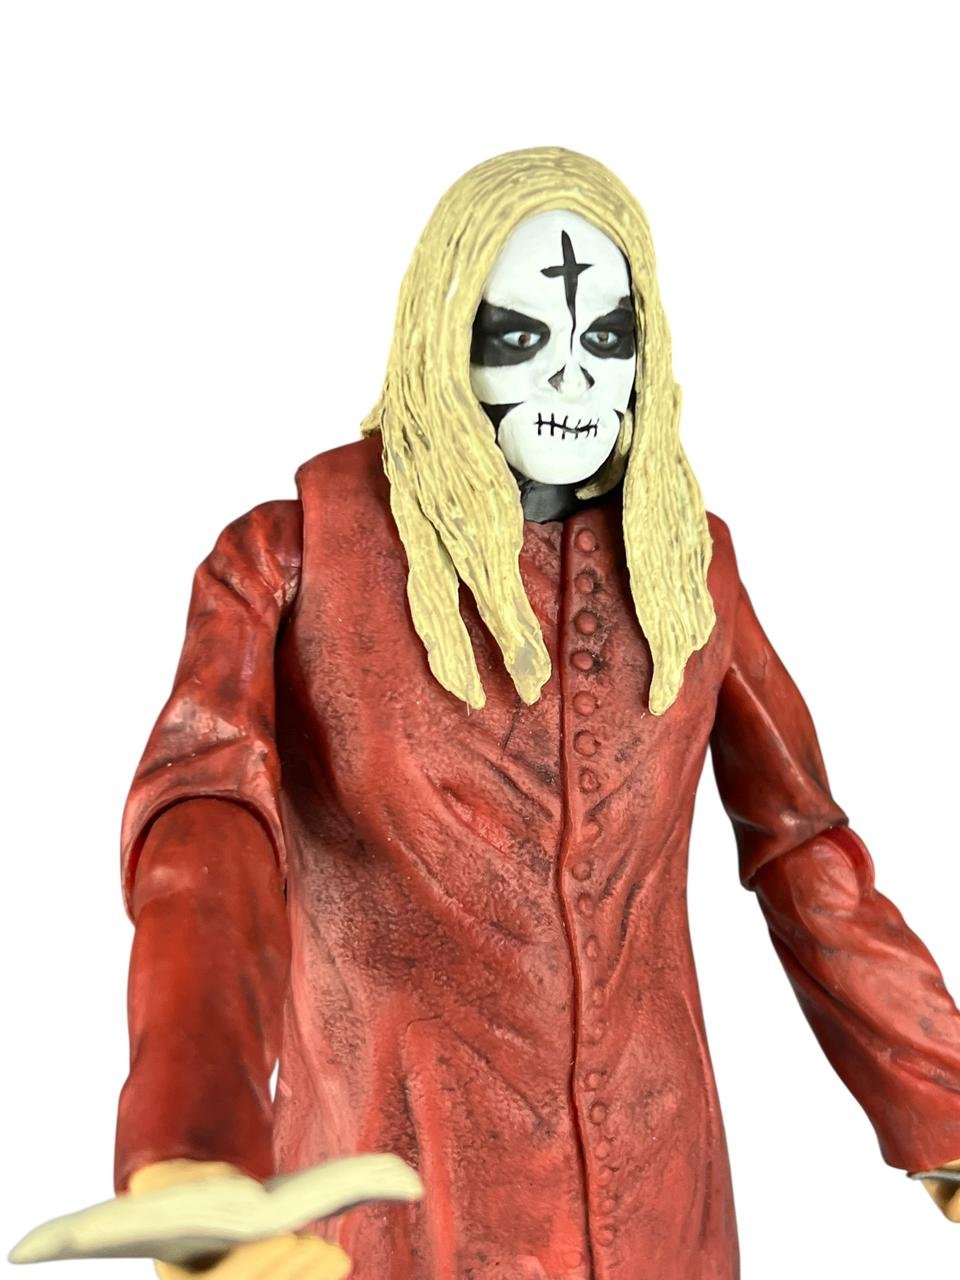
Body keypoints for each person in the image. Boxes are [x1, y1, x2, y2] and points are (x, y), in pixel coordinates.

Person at [31, 147, 960, 1279]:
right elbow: (205, 833)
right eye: (519, 337)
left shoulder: (688, 566)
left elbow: (804, 848)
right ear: (443, 337)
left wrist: (946, 1111)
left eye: (606, 336)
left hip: (662, 1201)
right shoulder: (295, 556)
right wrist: (194, 1147)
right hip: (394, 1202)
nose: (572, 375)